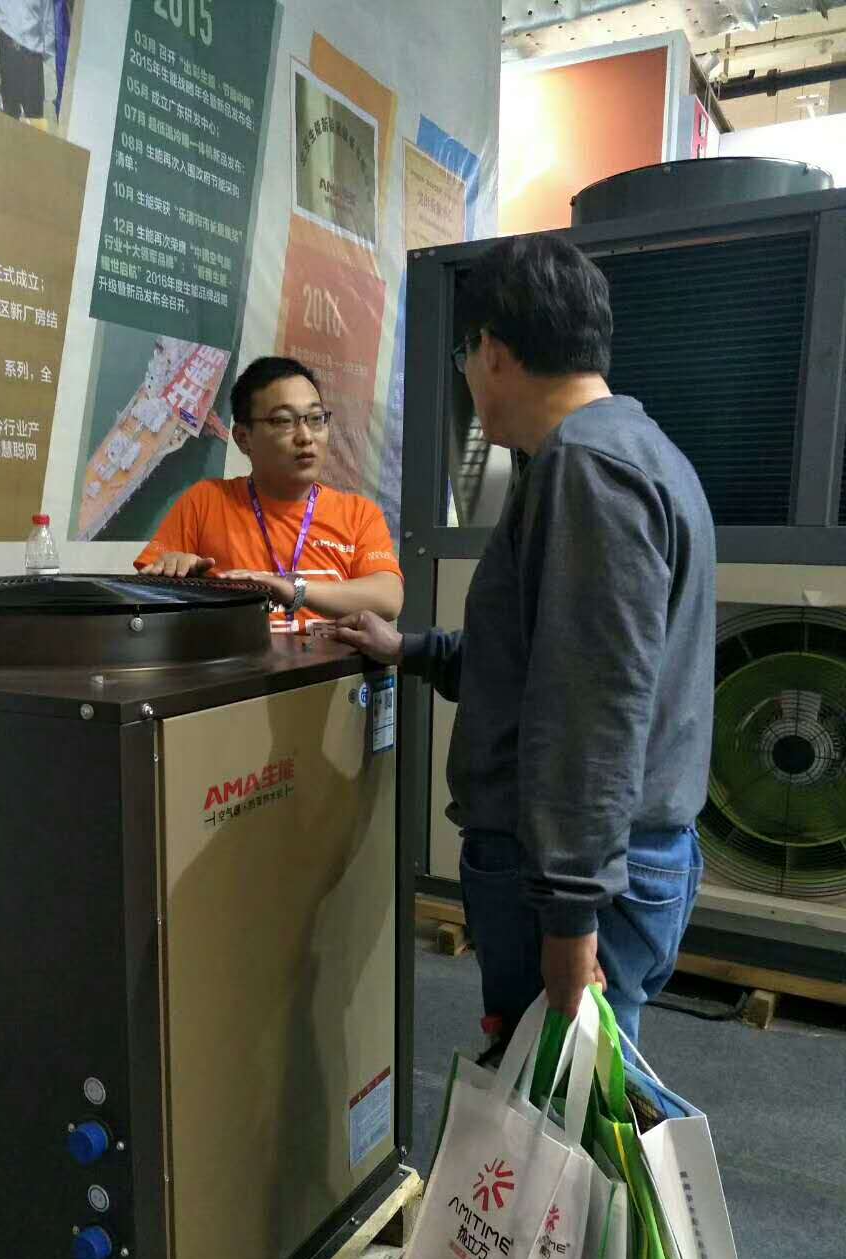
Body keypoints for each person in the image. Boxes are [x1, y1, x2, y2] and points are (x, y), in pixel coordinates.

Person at [332, 234, 715, 1045]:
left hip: (578, 878)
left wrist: (570, 917)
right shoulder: (631, 449)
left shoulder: (588, 467)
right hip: (606, 862)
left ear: (494, 352)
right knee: (570, 1092)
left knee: (559, 1094)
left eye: (465, 358)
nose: (469, 379)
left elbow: (591, 711)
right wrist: (413, 650)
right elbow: (546, 664)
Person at [136, 356, 404, 632]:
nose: (305, 436)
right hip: (237, 659)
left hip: (329, 660)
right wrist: (176, 572)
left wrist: (294, 590)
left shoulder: (358, 514)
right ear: (244, 438)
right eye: (284, 421)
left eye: (316, 419)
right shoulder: (206, 501)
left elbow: (388, 598)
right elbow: (145, 591)